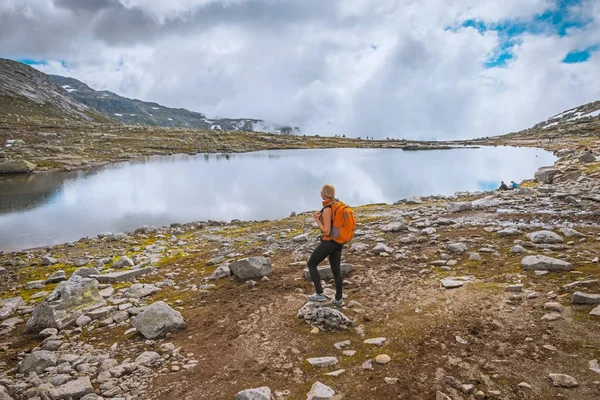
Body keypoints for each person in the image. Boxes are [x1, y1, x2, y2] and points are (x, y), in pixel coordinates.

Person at [307, 184, 344, 307]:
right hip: (338, 243)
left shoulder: (328, 209)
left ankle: (319, 294)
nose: (320, 194)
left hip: (329, 243)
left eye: (321, 192)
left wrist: (317, 220)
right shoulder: (336, 205)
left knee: (311, 264)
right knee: (336, 271)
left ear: (326, 194)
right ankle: (339, 299)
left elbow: (327, 231)